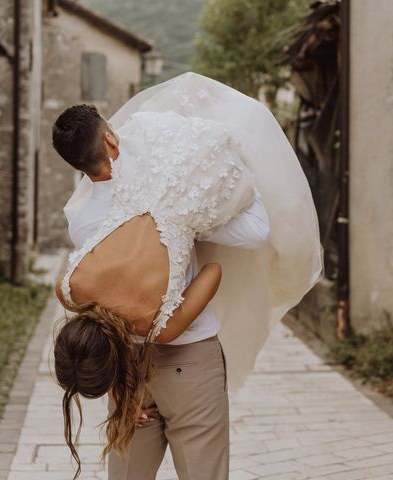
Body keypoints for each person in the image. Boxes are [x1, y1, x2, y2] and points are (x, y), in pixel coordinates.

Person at [53, 72, 324, 480]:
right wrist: (224, 195)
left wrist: (116, 384)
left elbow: (94, 312)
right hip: (190, 360)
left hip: (126, 369)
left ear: (76, 165)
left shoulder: (83, 224)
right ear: (110, 139)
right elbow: (255, 234)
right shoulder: (172, 203)